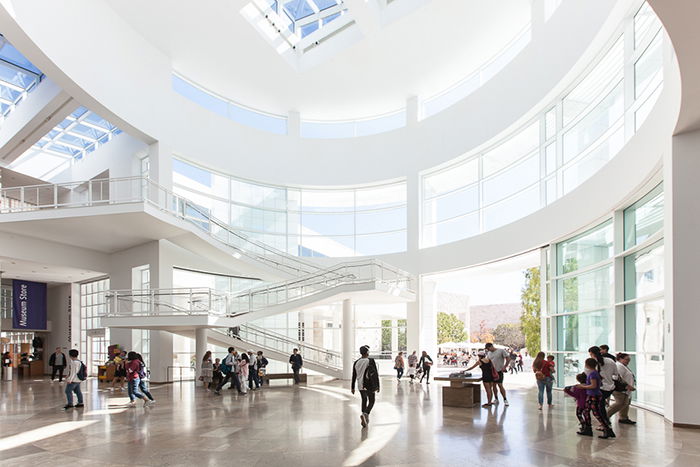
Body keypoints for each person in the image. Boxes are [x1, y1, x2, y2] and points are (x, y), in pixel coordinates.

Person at [576, 357, 615, 439]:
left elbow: (593, 385)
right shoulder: (595, 373)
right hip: (592, 395)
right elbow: (599, 383)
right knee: (586, 412)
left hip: (594, 395)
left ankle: (607, 429)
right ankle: (588, 428)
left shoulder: (593, 374)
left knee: (596, 413)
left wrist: (583, 386)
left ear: (587, 365)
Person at [351, 345, 380, 427]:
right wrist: (378, 386)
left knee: (364, 400)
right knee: (372, 400)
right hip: (369, 384)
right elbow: (375, 374)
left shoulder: (356, 362)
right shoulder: (370, 360)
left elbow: (354, 375)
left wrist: (352, 387)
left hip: (360, 385)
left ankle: (364, 416)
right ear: (367, 352)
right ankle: (366, 414)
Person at [589, 346, 617, 427]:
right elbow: (615, 374)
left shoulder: (592, 362)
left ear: (592, 354)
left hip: (599, 388)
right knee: (601, 406)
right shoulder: (610, 361)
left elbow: (589, 376)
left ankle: (604, 424)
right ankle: (605, 423)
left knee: (598, 408)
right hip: (610, 387)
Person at [608, 352, 636, 425]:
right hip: (620, 389)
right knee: (619, 403)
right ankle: (605, 416)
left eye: (629, 360)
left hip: (625, 389)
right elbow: (617, 378)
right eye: (626, 359)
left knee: (625, 403)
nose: (628, 361)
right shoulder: (619, 366)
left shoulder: (623, 366)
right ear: (620, 359)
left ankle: (623, 417)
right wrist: (626, 386)